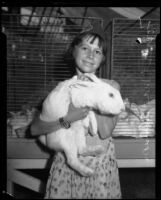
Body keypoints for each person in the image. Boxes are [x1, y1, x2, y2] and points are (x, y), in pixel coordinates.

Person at [31, 28, 122, 199]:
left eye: (98, 51)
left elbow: (105, 132)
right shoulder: (62, 89)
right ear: (74, 51)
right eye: (85, 48)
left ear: (102, 59)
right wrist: (67, 119)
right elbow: (35, 130)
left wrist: (93, 92)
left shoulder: (110, 87)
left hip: (99, 167)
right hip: (66, 164)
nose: (91, 55)